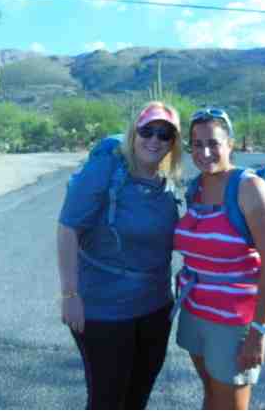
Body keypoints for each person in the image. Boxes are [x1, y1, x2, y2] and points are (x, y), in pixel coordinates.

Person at [57, 101, 183, 409]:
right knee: (108, 400)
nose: (154, 139)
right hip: (105, 311)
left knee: (137, 397)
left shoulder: (168, 184)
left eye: (164, 134)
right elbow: (68, 227)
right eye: (147, 131)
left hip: (156, 309)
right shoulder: (106, 171)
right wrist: (70, 294)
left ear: (173, 143)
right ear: (133, 133)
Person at [173, 107, 265, 410]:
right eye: (197, 144)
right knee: (211, 393)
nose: (205, 152)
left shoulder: (249, 188)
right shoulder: (196, 187)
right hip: (195, 311)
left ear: (230, 144)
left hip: (234, 321)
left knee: (230, 404)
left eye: (213, 143)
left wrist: (259, 331)